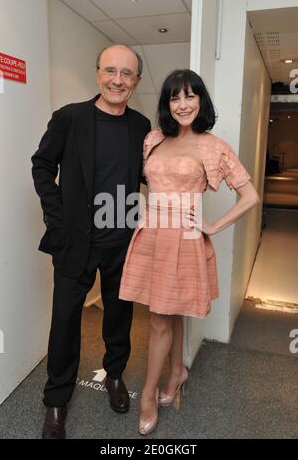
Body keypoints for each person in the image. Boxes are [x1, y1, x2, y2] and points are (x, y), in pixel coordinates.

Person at [119, 69, 260, 435]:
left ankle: (148, 395)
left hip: (183, 239)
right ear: (168, 104)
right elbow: (151, 186)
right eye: (174, 98)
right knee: (169, 310)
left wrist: (212, 227)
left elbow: (250, 196)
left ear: (201, 100)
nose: (182, 105)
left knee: (161, 318)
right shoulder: (153, 139)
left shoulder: (213, 146)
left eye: (189, 96)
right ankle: (177, 371)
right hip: (151, 235)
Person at [31, 44, 151, 439]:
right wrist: (57, 221)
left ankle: (115, 375)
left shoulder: (141, 126)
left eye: (127, 73)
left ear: (136, 81)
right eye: (111, 71)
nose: (118, 80)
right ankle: (56, 400)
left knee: (119, 317)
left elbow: (153, 175)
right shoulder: (70, 118)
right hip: (75, 242)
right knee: (65, 321)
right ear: (98, 72)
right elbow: (42, 165)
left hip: (123, 241)